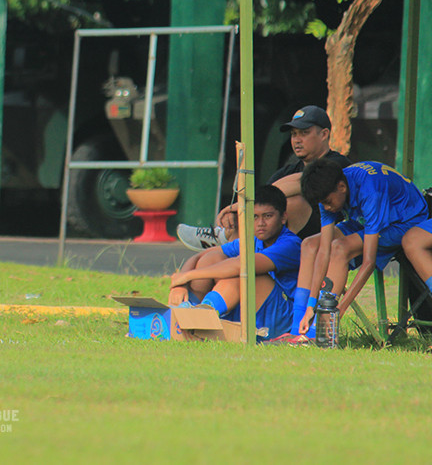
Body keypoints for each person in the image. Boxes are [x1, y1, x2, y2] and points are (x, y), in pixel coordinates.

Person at [177, 105, 350, 251]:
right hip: (282, 239)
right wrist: (235, 215)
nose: (297, 140)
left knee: (292, 202)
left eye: (304, 133)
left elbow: (301, 181)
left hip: (330, 235)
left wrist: (238, 206)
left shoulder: (337, 163)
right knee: (263, 208)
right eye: (294, 134)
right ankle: (228, 240)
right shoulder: (286, 171)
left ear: (324, 134)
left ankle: (226, 241)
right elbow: (262, 203)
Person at [295, 158, 428, 336]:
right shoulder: (327, 190)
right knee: (310, 245)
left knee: (340, 248)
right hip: (365, 218)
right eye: (322, 204)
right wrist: (311, 305)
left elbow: (368, 262)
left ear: (341, 188)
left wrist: (341, 309)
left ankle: (321, 332)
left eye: (328, 202)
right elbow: (323, 251)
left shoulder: (370, 191)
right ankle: (298, 325)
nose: (326, 207)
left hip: (403, 221)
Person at [169, 184, 301, 341]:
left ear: (283, 218)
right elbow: (200, 256)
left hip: (280, 318)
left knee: (244, 274)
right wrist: (180, 285)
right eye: (254, 216)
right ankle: (189, 311)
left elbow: (242, 266)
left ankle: (200, 318)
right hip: (254, 308)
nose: (260, 223)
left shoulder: (290, 244)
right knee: (210, 259)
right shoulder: (251, 241)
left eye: (267, 216)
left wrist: (187, 276)